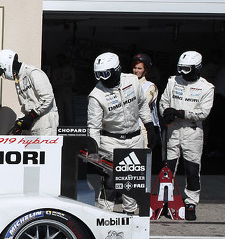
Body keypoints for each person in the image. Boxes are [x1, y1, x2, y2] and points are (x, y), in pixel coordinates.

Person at [87, 52, 156, 215]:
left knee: (131, 181)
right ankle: (104, 214)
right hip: (111, 141)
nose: (102, 78)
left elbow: (142, 103)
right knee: (110, 180)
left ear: (116, 70)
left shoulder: (132, 81)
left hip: (135, 138)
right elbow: (93, 127)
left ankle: (129, 213)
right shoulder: (96, 95)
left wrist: (150, 126)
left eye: (105, 74)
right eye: (98, 75)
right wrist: (93, 151)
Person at [158, 51, 215, 221]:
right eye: (181, 68)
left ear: (197, 68)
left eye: (187, 69)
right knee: (167, 168)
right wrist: (165, 113)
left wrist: (181, 113)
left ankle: (191, 202)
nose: (183, 72)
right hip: (172, 129)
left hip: (192, 131)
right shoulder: (172, 81)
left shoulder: (207, 87)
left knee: (192, 169)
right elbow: (164, 102)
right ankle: (166, 200)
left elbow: (203, 113)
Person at [0, 49, 59, 135]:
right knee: (32, 148)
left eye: (3, 72)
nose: (5, 76)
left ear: (5, 65)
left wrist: (32, 115)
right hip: (33, 123)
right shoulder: (19, 80)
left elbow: (47, 97)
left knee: (46, 148)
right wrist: (19, 122)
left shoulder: (33, 73)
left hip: (45, 122)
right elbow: (25, 105)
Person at [131, 53, 160, 149]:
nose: (136, 71)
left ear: (145, 70)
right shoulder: (126, 84)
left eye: (139, 68)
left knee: (143, 157)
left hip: (143, 127)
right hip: (129, 126)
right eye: (135, 68)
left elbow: (142, 103)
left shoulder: (150, 86)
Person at [51, 54, 76, 126]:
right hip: (58, 94)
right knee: (60, 113)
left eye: (62, 59)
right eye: (59, 59)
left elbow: (73, 80)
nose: (60, 61)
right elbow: (53, 82)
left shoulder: (70, 69)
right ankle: (60, 129)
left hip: (68, 93)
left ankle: (71, 129)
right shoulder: (55, 70)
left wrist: (64, 81)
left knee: (69, 113)